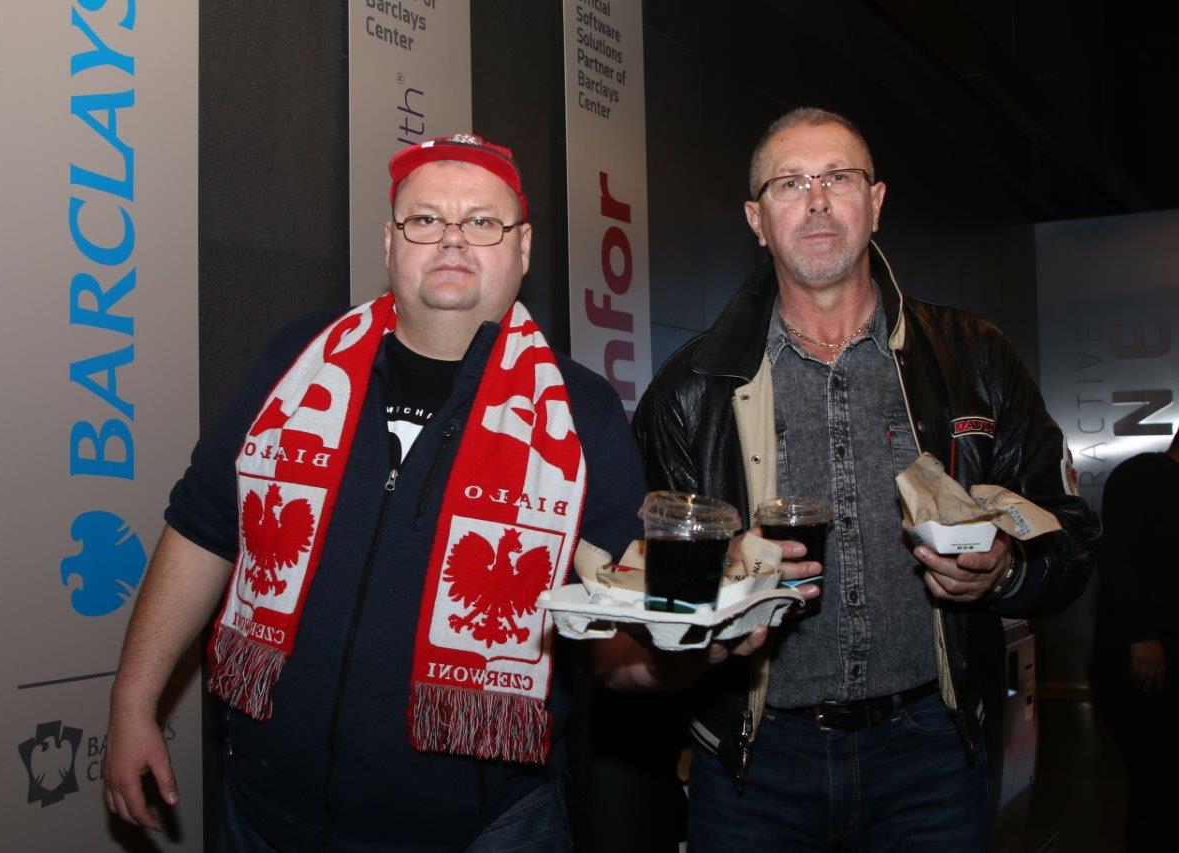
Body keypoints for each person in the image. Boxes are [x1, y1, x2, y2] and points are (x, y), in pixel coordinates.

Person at [102, 133, 658, 851]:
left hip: (487, 833)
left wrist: (683, 652)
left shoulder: (582, 412)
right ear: (389, 242)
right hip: (264, 816)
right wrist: (132, 701)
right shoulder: (295, 364)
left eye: (482, 221)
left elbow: (618, 628)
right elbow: (203, 528)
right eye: (425, 219)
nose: (452, 238)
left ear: (521, 249)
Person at [633, 107, 1098, 850]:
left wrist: (1006, 569)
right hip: (756, 766)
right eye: (790, 183)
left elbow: (1071, 536)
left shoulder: (974, 357)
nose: (816, 201)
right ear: (756, 220)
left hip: (931, 755)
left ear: (875, 203)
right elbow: (648, 592)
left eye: (838, 178)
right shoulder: (690, 388)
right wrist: (720, 587)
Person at [1090, 433, 1179, 851]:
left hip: (1160, 657)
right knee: (1157, 788)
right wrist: (1142, 637)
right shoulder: (1142, 474)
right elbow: (1116, 559)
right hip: (1136, 663)